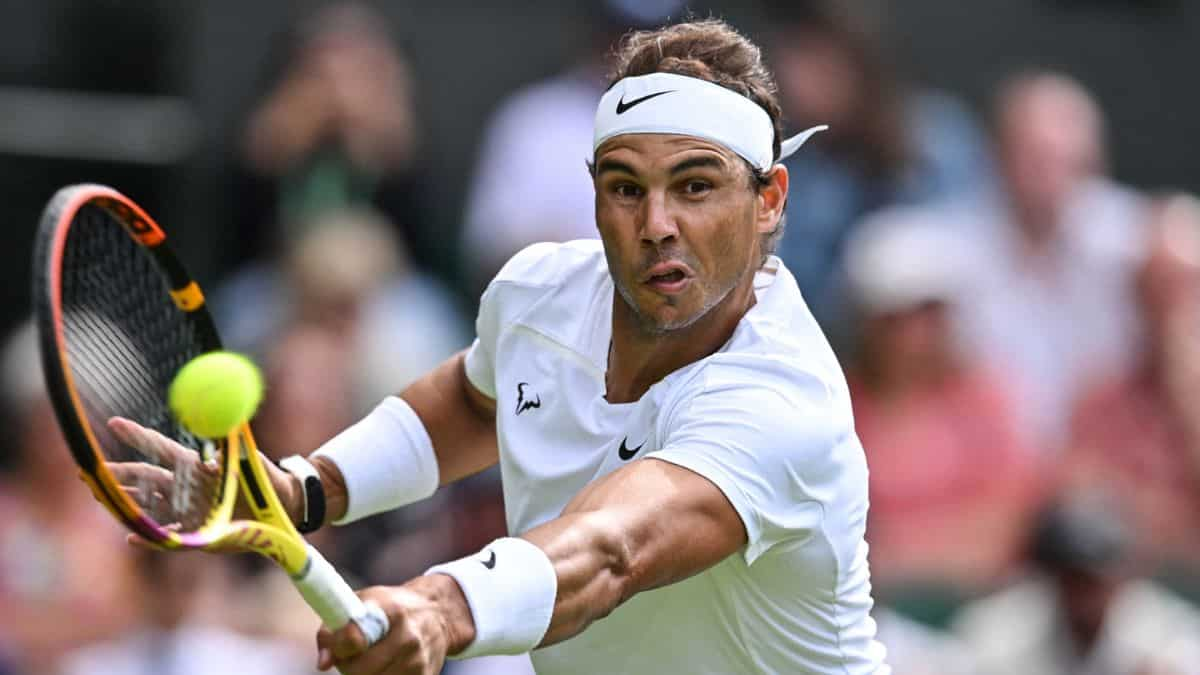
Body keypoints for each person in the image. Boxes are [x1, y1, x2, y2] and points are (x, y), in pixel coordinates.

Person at [113, 19, 888, 674]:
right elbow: (472, 400)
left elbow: (614, 548)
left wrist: (441, 605)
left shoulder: (781, 400)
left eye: (695, 186)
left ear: (769, 200)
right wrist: (303, 489)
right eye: (624, 187)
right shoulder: (539, 296)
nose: (656, 223)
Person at [843, 208, 1043, 599]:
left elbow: (1013, 517)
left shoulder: (988, 399)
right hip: (873, 610)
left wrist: (908, 555)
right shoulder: (838, 406)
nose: (920, 332)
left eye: (932, 313)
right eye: (901, 317)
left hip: (987, 608)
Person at [953, 71, 1147, 449]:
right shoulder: (946, 253)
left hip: (1108, 459)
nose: (1052, 179)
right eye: (1037, 159)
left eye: (1069, 162)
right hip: (994, 459)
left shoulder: (1137, 243)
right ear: (999, 156)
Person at [1066, 193, 1200, 575]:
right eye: (1158, 287)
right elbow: (1088, 521)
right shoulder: (1099, 401)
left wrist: (1188, 398)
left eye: (1188, 285)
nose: (1172, 305)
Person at [954, 495, 1200, 675]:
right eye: (1071, 578)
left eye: (1093, 580)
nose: (1082, 594)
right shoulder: (999, 629)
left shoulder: (1166, 634)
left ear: (1123, 575)